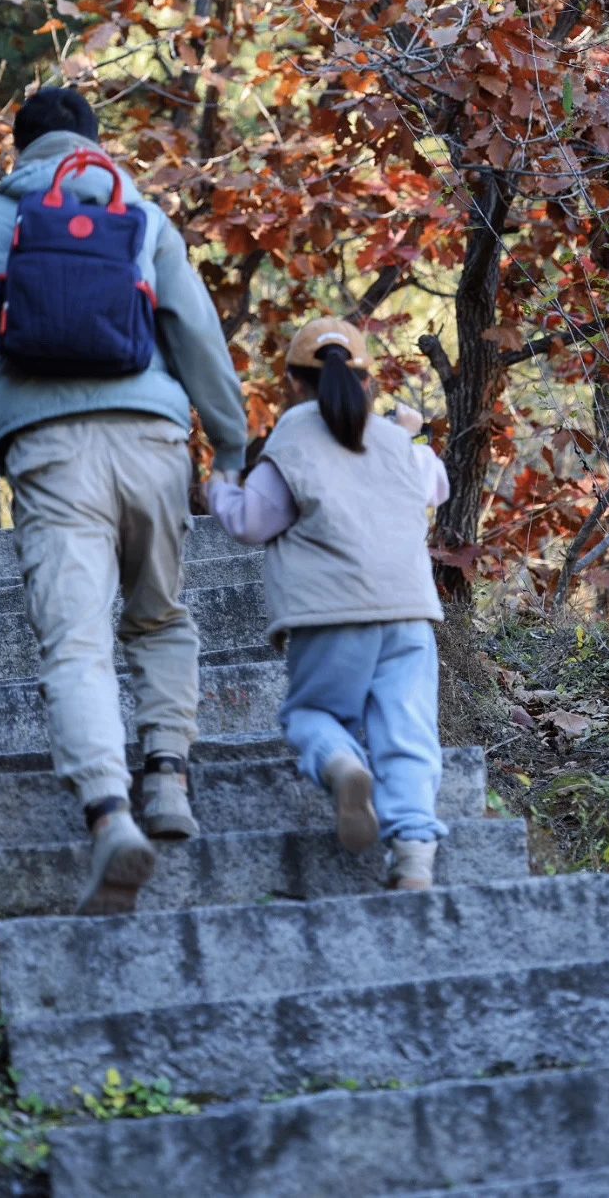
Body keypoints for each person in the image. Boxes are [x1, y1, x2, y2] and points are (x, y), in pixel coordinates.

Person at [0, 87, 247, 915]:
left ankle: (108, 813)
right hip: (152, 443)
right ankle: (166, 781)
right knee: (159, 616)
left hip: (50, 454)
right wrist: (228, 449)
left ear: (19, 151)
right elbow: (195, 333)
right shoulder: (146, 215)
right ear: (94, 142)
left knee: (76, 640)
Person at [206, 316, 449, 891]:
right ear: (366, 382)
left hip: (329, 618)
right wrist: (411, 433)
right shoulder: (394, 441)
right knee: (409, 728)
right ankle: (414, 850)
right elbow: (435, 486)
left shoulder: (291, 439)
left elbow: (252, 522)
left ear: (292, 383)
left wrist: (217, 484)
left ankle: (341, 764)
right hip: (408, 613)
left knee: (311, 715)